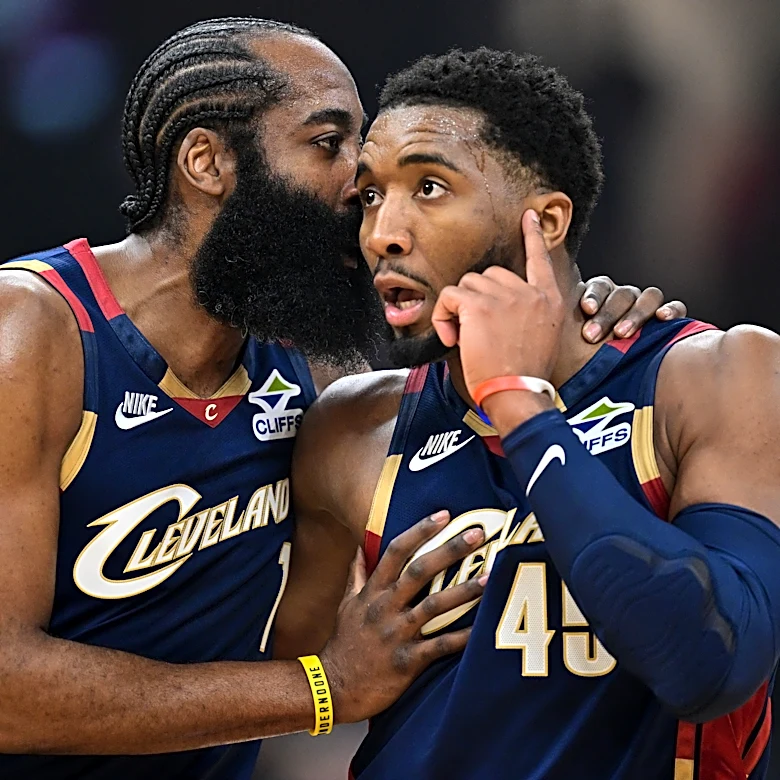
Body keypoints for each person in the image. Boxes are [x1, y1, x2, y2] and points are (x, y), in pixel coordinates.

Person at [0, 19, 682, 780]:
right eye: (327, 143)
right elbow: (6, 693)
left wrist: (581, 304)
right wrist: (323, 689)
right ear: (207, 161)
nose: (359, 183)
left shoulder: (305, 359)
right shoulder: (35, 331)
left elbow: (475, 292)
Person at [284, 48, 780, 779]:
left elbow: (711, 666)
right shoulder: (352, 428)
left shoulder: (712, 375)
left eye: (427, 187)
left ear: (544, 221)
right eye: (368, 196)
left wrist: (520, 405)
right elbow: (275, 672)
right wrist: (331, 678)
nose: (382, 231)